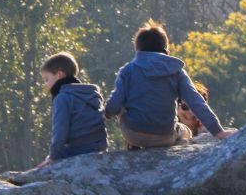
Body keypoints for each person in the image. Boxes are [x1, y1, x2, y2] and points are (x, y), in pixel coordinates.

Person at [105, 21, 230, 149]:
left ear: (138, 50)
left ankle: (134, 147)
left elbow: (113, 106)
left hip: (133, 135)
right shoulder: (176, 71)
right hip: (165, 136)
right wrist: (218, 132)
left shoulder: (128, 70)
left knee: (123, 106)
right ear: (166, 50)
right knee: (185, 130)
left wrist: (107, 113)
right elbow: (196, 102)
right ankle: (180, 144)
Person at [32, 52, 107, 169]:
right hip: (100, 145)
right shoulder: (91, 93)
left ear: (59, 75)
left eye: (46, 79)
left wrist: (53, 156)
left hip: (80, 148)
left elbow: (60, 130)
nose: (45, 85)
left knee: (43, 166)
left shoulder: (62, 97)